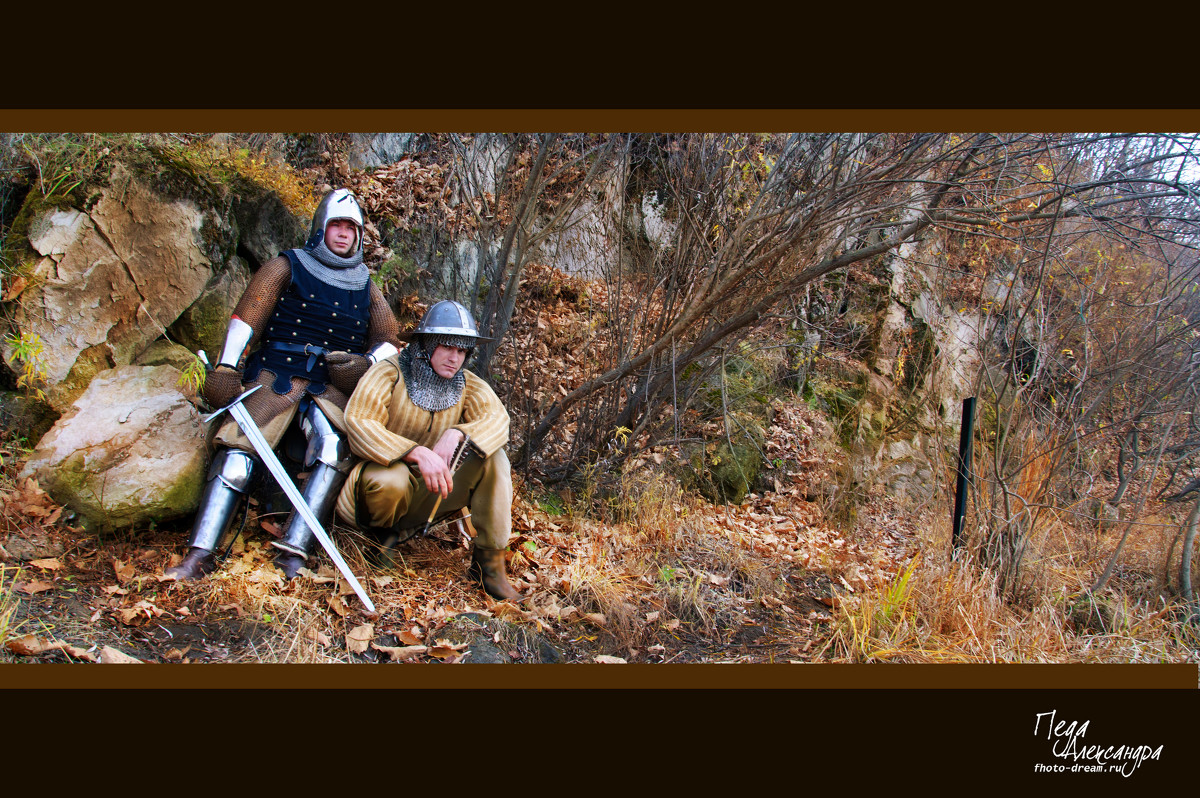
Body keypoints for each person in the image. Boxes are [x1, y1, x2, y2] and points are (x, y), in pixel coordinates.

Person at [166, 188, 401, 581]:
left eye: (351, 228)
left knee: (334, 447)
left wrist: (364, 363)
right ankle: (200, 553)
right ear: (321, 228)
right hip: (275, 376)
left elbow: (389, 341)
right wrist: (226, 367)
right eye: (337, 225)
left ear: (359, 236)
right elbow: (248, 316)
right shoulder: (287, 265)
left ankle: (294, 552)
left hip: (328, 386)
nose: (344, 234)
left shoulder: (365, 284)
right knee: (238, 450)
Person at [333, 299, 522, 601]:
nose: (454, 358)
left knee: (494, 457)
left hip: (426, 495)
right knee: (391, 479)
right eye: (447, 347)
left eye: (461, 350)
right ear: (426, 344)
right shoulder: (388, 373)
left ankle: (489, 566)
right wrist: (416, 452)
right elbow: (359, 424)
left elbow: (498, 422)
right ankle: (381, 541)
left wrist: (457, 433)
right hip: (376, 489)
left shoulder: (466, 384)